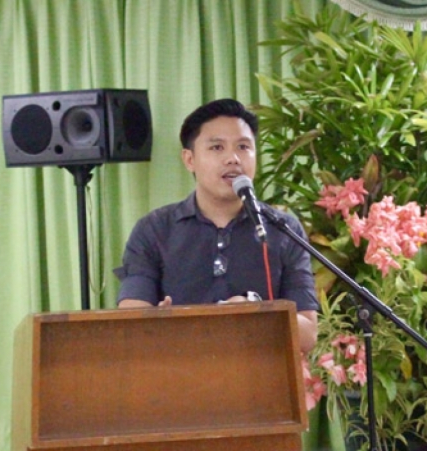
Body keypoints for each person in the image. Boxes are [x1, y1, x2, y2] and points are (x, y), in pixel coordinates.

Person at [114, 98, 318, 353]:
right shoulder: (154, 230)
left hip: (259, 382)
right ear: (189, 159)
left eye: (243, 147)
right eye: (217, 147)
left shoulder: (283, 230)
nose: (232, 158)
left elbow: (308, 334)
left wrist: (257, 313)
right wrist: (159, 322)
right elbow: (129, 321)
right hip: (175, 379)